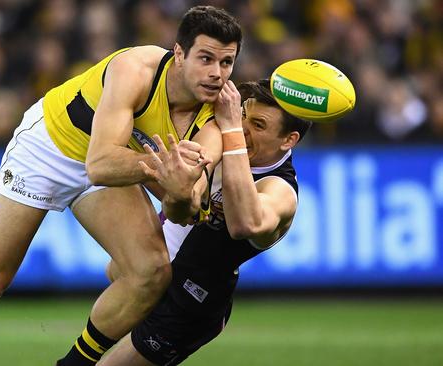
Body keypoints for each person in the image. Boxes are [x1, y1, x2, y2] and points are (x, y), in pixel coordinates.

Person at [0, 6, 242, 366]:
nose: (216, 73)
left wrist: (183, 194)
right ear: (179, 54)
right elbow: (100, 164)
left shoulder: (216, 118)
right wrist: (165, 169)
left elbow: (183, 208)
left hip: (121, 164)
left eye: (226, 63)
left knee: (150, 272)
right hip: (50, 147)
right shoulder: (135, 70)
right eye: (206, 58)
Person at [97, 79, 312, 365]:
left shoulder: (280, 190)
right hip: (150, 273)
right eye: (244, 116)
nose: (245, 129)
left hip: (187, 306)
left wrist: (232, 129)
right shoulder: (223, 135)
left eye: (258, 125)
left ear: (289, 140)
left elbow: (244, 225)